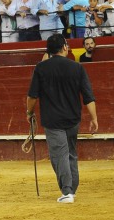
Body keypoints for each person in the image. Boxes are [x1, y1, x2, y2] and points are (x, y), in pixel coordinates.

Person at [26, 34, 98, 204]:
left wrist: (29, 112)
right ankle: (72, 188)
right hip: (73, 118)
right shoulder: (77, 67)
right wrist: (94, 118)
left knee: (60, 155)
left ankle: (67, 191)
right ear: (65, 47)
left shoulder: (41, 68)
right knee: (71, 153)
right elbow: (88, 97)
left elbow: (32, 96)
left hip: (53, 120)